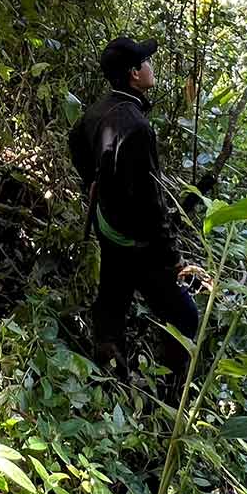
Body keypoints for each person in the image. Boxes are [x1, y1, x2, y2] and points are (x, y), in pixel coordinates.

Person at [67, 36, 201, 376]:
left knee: (114, 295)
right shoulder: (137, 128)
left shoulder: (100, 109)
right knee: (185, 315)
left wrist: (93, 183)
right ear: (133, 74)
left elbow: (75, 140)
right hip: (135, 239)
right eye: (145, 62)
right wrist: (173, 259)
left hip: (107, 223)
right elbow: (150, 204)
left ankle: (108, 368)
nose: (150, 66)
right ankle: (171, 392)